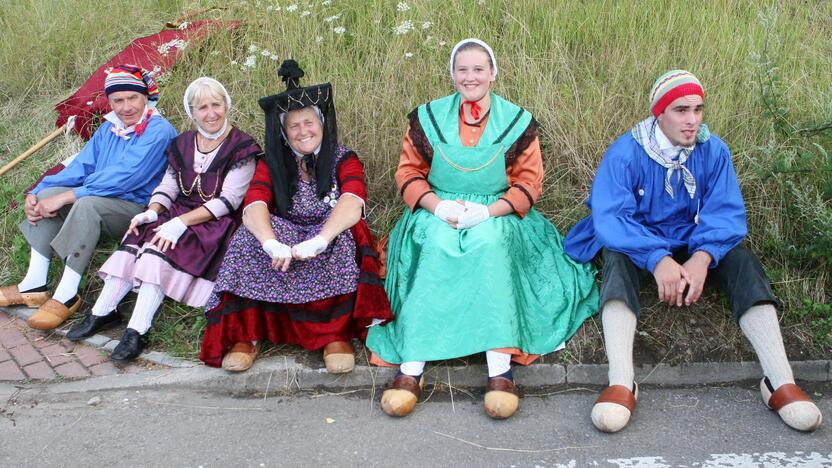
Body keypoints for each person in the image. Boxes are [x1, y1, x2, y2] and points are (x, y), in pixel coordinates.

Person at [563, 70, 823, 433]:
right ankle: (621, 381)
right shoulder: (626, 152)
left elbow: (724, 210)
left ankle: (780, 382)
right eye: (681, 110)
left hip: (693, 238)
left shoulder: (713, 149)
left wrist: (702, 257)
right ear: (659, 113)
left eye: (698, 109)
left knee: (742, 261)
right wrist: (657, 259)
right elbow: (612, 217)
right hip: (640, 241)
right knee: (617, 260)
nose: (692, 120)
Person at [365, 39, 599, 419]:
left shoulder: (517, 120)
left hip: (497, 212)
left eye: (478, 69)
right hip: (436, 208)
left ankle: (498, 370)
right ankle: (412, 366)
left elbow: (529, 182)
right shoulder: (427, 118)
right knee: (437, 245)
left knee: (490, 245)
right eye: (463, 69)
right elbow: (408, 172)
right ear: (452, 74)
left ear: (492, 73)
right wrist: (437, 206)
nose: (470, 77)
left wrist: (487, 212)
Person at [199, 60, 392, 373]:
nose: (303, 131)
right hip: (286, 235)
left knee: (344, 236)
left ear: (321, 124)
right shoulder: (272, 162)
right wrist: (270, 243)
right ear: (285, 133)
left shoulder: (344, 157)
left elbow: (353, 201)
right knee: (247, 237)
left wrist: (320, 239)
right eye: (294, 126)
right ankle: (248, 335)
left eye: (309, 123)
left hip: (328, 230)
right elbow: (254, 206)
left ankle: (334, 334)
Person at [65, 77, 260, 363]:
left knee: (160, 248)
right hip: (175, 212)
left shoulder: (242, 147)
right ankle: (103, 311)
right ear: (192, 113)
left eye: (216, 105)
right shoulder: (182, 143)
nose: (210, 113)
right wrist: (153, 211)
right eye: (202, 107)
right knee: (139, 233)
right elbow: (168, 187)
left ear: (226, 106)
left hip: (213, 223)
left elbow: (228, 201)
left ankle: (137, 329)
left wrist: (180, 224)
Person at [0, 65, 177, 331]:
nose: (126, 106)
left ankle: (67, 293)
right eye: (118, 100)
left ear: (146, 97)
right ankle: (34, 283)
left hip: (137, 210)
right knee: (49, 195)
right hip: (101, 198)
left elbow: (126, 177)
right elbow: (81, 167)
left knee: (86, 205)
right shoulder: (109, 130)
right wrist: (38, 192)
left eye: (133, 98)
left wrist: (69, 196)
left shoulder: (159, 130)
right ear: (110, 102)